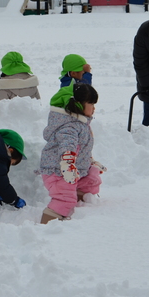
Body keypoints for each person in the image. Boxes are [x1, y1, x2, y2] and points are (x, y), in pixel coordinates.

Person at [39, 82, 106, 224]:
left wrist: (90, 161)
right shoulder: (69, 127)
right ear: (79, 105)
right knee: (64, 198)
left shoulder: (80, 124)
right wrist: (67, 164)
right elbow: (67, 146)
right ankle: (48, 222)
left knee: (92, 178)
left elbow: (81, 148)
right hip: (58, 172)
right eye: (91, 104)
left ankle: (82, 199)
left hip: (76, 170)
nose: (94, 108)